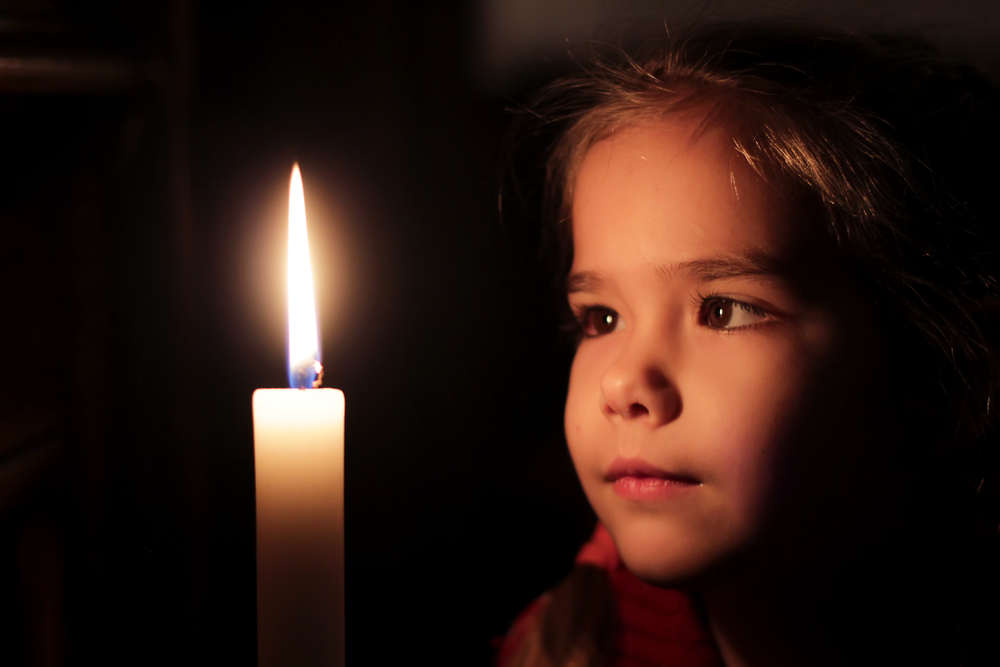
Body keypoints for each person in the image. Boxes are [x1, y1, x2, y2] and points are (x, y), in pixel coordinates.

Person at [497, 23, 1000, 667]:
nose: (622, 385)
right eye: (602, 318)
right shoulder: (562, 646)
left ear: (947, 380)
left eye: (724, 310)